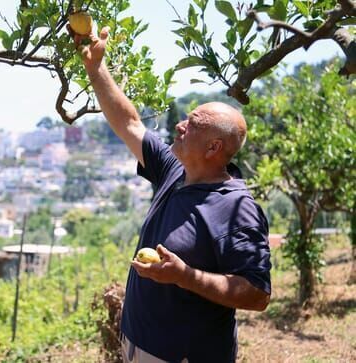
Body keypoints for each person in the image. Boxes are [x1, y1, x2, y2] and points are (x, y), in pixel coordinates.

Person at [71, 26, 272, 363]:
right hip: (138, 345)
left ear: (213, 147)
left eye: (192, 124)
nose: (180, 125)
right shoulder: (175, 172)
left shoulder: (236, 208)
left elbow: (257, 293)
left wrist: (184, 276)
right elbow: (130, 123)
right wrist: (96, 69)